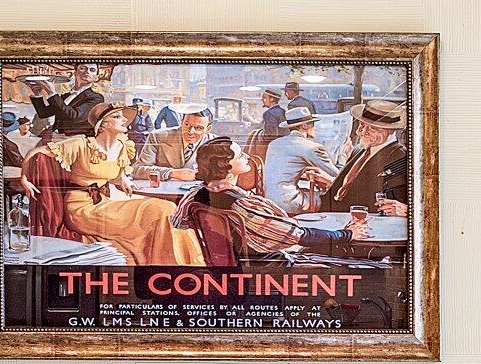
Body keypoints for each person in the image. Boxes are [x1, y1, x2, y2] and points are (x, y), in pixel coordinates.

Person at [45, 101, 202, 266]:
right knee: (160, 210)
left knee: (166, 210)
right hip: (81, 208)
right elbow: (38, 153)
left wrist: (121, 178)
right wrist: (26, 179)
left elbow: (107, 173)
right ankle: (178, 265)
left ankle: (183, 264)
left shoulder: (121, 146)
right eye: (118, 116)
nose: (124, 120)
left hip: (104, 203)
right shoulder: (80, 144)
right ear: (103, 124)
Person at [174, 137, 301, 266]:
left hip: (219, 264)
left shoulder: (195, 195)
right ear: (226, 168)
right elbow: (291, 234)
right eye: (240, 155)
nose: (246, 156)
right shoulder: (238, 204)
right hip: (255, 268)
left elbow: (178, 223)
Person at [313, 97, 410, 216]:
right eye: (362, 125)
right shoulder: (359, 150)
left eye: (372, 128)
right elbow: (353, 186)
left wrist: (407, 210)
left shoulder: (400, 156)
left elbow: (401, 201)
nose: (362, 132)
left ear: (390, 131)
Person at [259, 104, 330, 211]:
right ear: (305, 126)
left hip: (271, 201)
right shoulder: (312, 147)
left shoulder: (274, 144)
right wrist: (343, 153)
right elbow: (337, 176)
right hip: (290, 203)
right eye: (312, 124)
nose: (315, 128)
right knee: (330, 198)